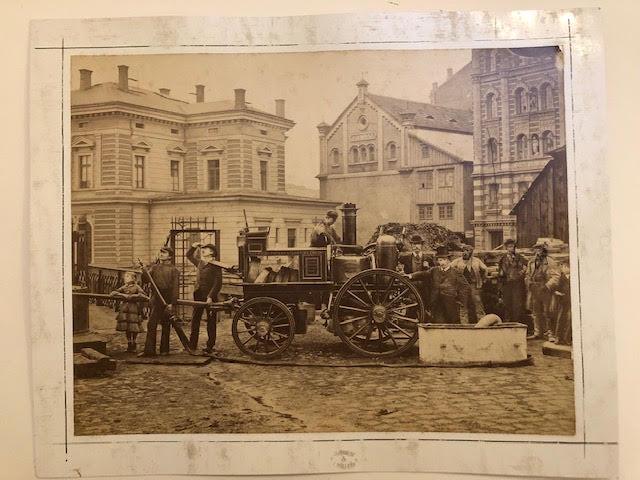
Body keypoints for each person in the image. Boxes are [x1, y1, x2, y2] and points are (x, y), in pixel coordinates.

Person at [409, 246, 470, 324]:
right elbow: (423, 274)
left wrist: (461, 300)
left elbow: (465, 286)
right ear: (437, 261)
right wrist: (411, 275)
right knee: (437, 323)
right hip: (436, 302)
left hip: (451, 303)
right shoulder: (434, 270)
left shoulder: (456, 272)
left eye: (445, 260)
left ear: (449, 261)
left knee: (453, 323)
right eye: (440, 260)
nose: (443, 262)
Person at [140, 246, 180, 357]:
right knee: (151, 324)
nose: (161, 254)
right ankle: (149, 351)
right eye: (161, 252)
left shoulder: (174, 270)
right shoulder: (154, 268)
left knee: (166, 324)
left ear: (170, 256)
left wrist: (172, 303)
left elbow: (175, 288)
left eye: (164, 253)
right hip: (156, 299)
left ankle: (164, 350)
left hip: (167, 300)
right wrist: (144, 271)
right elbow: (145, 280)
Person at [186, 242, 224, 354]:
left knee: (211, 322)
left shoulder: (216, 265)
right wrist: (194, 246)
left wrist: (210, 297)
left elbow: (218, 283)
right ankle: (192, 344)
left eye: (206, 249)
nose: (203, 250)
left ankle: (210, 346)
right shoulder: (200, 263)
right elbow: (188, 255)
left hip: (209, 298)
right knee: (195, 320)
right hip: (198, 295)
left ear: (212, 252)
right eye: (203, 249)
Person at [524, 241, 560, 340]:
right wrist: (529, 283)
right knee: (535, 312)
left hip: (545, 290)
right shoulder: (531, 261)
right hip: (534, 289)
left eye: (540, 249)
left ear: (544, 250)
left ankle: (550, 334)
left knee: (548, 312)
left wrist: (547, 286)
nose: (538, 251)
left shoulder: (550, 261)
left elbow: (556, 276)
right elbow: (527, 274)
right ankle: (537, 332)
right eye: (536, 249)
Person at [110, 271, 149, 353]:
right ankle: (129, 342)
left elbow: (144, 295)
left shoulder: (136, 287)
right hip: (125, 309)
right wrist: (124, 295)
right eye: (125, 276)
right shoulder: (124, 287)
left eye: (127, 276)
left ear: (133, 278)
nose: (125, 278)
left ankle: (134, 341)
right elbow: (113, 293)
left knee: (133, 326)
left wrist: (133, 296)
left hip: (133, 308)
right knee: (127, 326)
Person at [451, 245, 487, 324]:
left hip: (474, 286)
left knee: (478, 305)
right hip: (462, 287)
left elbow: (485, 269)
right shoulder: (457, 261)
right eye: (463, 251)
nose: (465, 253)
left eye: (467, 251)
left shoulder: (476, 261)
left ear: (471, 252)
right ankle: (464, 325)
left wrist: (482, 280)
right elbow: (450, 268)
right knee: (463, 305)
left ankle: (483, 324)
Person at [498, 239, 528, 325]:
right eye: (509, 247)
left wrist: (520, 274)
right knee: (507, 304)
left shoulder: (520, 258)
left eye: (512, 247)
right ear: (506, 248)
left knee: (517, 304)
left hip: (517, 285)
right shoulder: (503, 259)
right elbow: (500, 273)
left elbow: (527, 267)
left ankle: (517, 324)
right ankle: (507, 324)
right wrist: (500, 286)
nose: (511, 248)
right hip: (507, 285)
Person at [547, 257, 572, 345]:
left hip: (570, 302)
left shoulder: (573, 278)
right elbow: (556, 288)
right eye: (563, 266)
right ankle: (558, 337)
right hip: (562, 301)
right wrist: (557, 292)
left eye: (565, 267)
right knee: (560, 319)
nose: (563, 268)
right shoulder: (562, 277)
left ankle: (567, 338)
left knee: (570, 319)